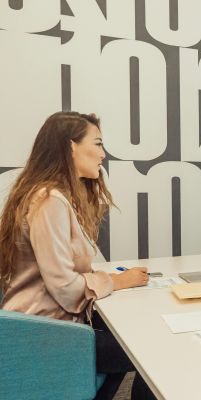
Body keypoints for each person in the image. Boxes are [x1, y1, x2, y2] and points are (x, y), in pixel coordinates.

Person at [0, 112, 155, 400]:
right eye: (97, 144)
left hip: (46, 328)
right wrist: (119, 281)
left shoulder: (48, 195)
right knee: (148, 349)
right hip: (46, 336)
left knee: (132, 343)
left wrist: (108, 278)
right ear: (71, 147)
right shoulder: (49, 200)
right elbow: (67, 289)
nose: (103, 154)